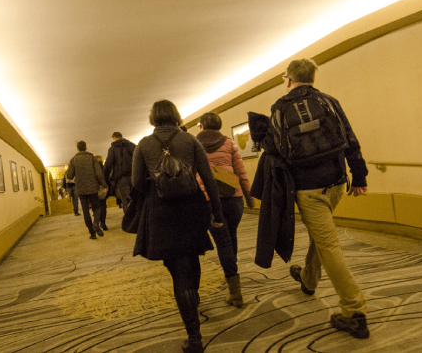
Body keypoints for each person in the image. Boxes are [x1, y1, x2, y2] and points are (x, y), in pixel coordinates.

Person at [252, 58, 370, 339]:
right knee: (323, 236)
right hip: (338, 183)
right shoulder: (329, 101)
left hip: (307, 189)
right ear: (313, 77)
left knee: (328, 244)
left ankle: (354, 311)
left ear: (289, 79)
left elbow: (277, 148)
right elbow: (350, 138)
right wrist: (360, 176)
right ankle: (308, 279)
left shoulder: (280, 107)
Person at [128, 100, 226, 353]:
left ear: (153, 118)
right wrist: (216, 210)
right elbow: (208, 177)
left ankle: (194, 338)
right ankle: (192, 299)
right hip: (192, 209)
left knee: (178, 270)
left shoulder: (143, 145)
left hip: (161, 213)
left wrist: (157, 187)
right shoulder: (190, 141)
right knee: (191, 261)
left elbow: (137, 181)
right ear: (175, 116)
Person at [195, 112, 255, 308]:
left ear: (202, 126)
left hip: (209, 201)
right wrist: (248, 195)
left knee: (223, 242)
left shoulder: (194, 145)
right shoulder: (229, 143)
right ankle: (232, 274)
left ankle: (235, 290)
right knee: (231, 237)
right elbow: (240, 171)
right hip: (234, 198)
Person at [66, 141, 107, 239]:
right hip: (93, 188)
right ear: (86, 147)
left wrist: (70, 169)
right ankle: (96, 223)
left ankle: (92, 233)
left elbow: (69, 176)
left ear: (77, 148)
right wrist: (104, 184)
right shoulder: (92, 158)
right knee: (97, 207)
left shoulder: (73, 160)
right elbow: (99, 174)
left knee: (85, 211)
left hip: (81, 189)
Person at [103, 132, 136, 211]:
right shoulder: (132, 145)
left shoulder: (113, 149)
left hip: (121, 177)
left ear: (114, 138)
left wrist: (105, 177)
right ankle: (138, 218)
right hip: (134, 175)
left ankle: (129, 219)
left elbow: (108, 164)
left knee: (126, 199)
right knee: (135, 197)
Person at [94, 155, 109, 231]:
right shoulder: (103, 167)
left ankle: (97, 222)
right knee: (103, 205)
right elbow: (107, 177)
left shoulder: (92, 168)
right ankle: (103, 223)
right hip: (103, 188)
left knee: (97, 206)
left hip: (95, 189)